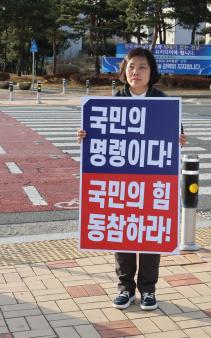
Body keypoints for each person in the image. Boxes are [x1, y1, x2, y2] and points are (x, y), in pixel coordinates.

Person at [77, 47, 187, 311]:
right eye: (131, 67)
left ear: (151, 72)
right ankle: (125, 287)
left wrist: (179, 140)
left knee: (150, 231)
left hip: (152, 178)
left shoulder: (164, 103)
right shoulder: (112, 103)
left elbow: (176, 135)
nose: (135, 72)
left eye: (142, 67)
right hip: (121, 179)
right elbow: (97, 138)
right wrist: (84, 136)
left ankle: (148, 289)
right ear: (124, 72)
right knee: (123, 230)